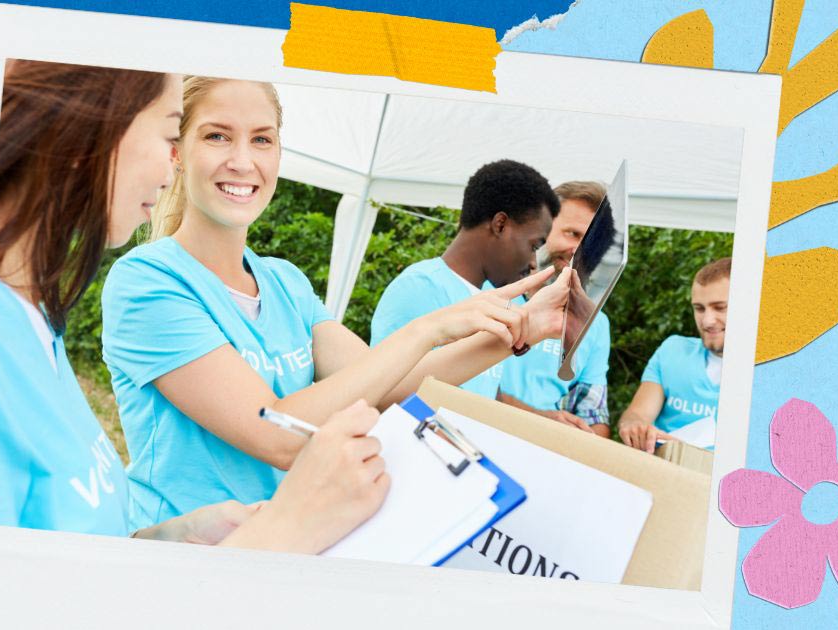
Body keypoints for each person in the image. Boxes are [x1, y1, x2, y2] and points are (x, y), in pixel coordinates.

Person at [100, 78, 578, 525]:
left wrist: (521, 330)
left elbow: (391, 387)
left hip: (283, 545)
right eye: (217, 136)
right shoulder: (147, 283)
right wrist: (428, 328)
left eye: (262, 140)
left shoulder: (284, 281)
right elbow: (278, 435)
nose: (243, 161)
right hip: (183, 559)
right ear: (177, 151)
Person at [0, 61, 388, 555]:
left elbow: (65, 546)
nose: (170, 171)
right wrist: (287, 528)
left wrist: (164, 538)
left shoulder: (36, 326)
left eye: (262, 140)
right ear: (91, 130)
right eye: (172, 135)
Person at [369, 159, 561, 399]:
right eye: (533, 245)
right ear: (500, 224)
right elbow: (380, 393)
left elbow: (484, 395)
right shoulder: (418, 288)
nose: (533, 262)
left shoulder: (495, 300)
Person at [497, 181, 614, 437]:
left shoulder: (596, 322)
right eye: (572, 234)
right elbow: (464, 386)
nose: (579, 251)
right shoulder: (493, 290)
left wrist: (588, 439)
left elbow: (593, 413)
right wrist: (540, 421)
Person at [618, 257, 731, 453]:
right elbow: (637, 414)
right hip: (661, 468)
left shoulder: (771, 371)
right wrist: (634, 426)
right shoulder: (672, 350)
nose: (707, 321)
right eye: (699, 308)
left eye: (720, 308)